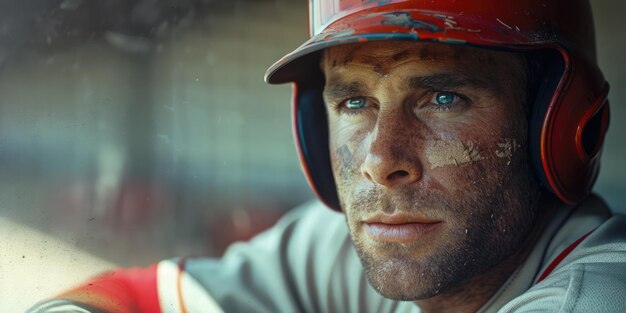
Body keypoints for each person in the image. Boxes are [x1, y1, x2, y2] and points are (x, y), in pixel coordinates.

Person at [30, 0, 626, 312]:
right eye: (354, 102)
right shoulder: (387, 243)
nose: (381, 160)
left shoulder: (598, 296)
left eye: (444, 97)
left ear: (564, 128)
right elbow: (139, 299)